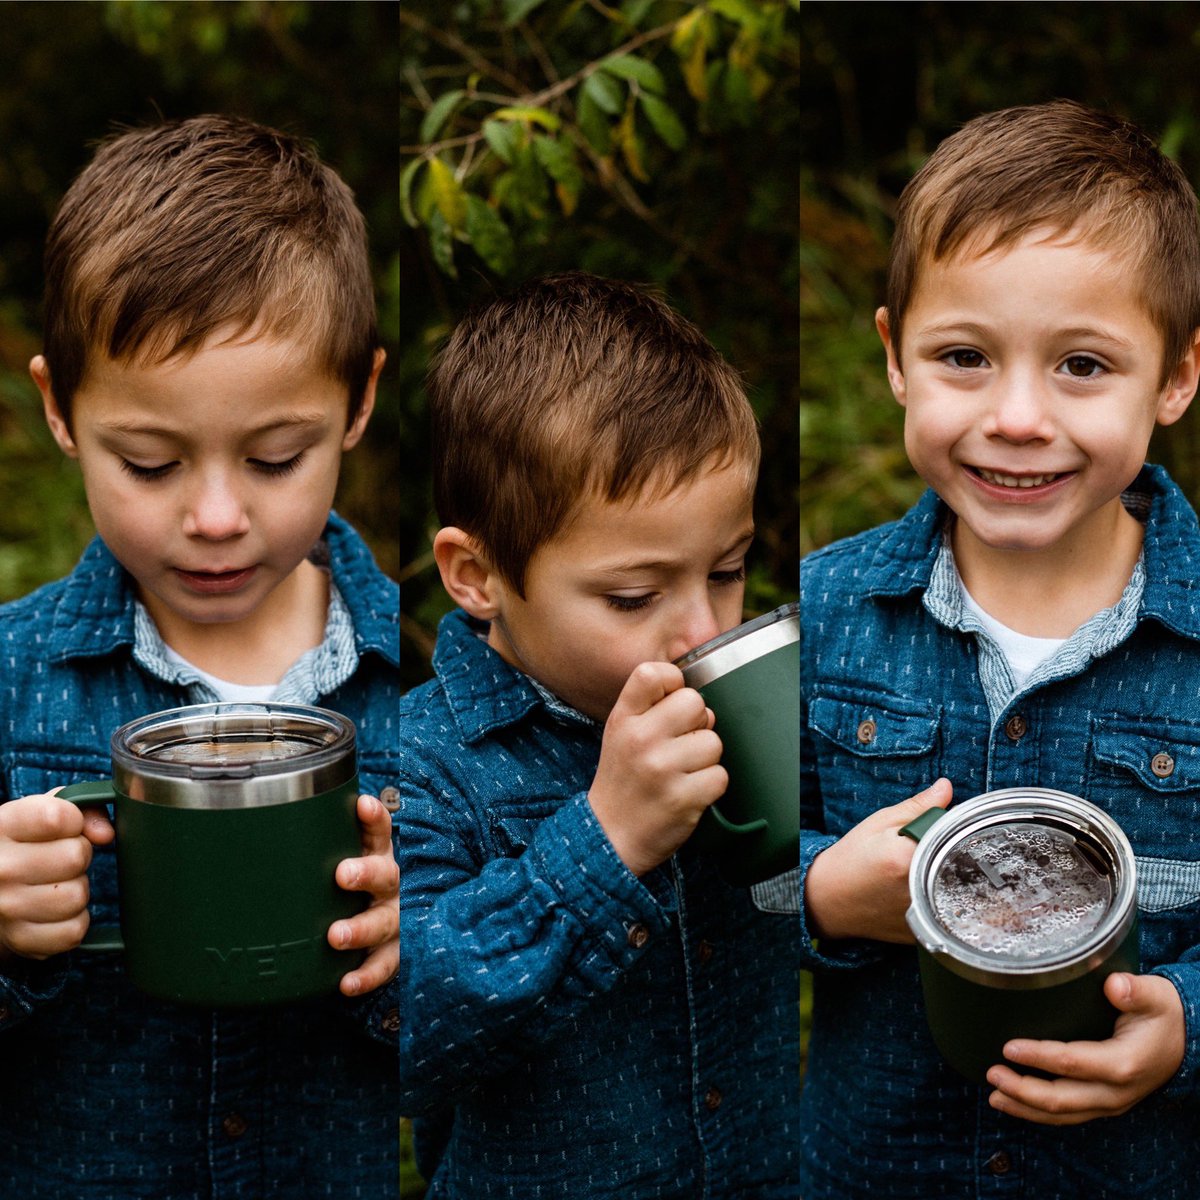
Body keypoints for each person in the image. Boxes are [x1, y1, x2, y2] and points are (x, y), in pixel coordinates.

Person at [800, 99, 1200, 1197]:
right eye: (966, 356)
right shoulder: (823, 612)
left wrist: (1186, 1028)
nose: (1018, 416)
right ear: (894, 356)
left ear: (1174, 376)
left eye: (1082, 366)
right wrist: (821, 891)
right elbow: (714, 875)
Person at [0, 115, 400, 1198]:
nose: (215, 517)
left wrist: (428, 936)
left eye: (275, 458)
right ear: (60, 411)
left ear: (360, 400)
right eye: (150, 461)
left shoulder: (430, 684)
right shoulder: (11, 679)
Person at [400, 272, 799, 1197]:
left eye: (730, 570)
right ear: (477, 574)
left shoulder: (755, 697)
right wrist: (604, 841)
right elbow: (407, 1033)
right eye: (634, 597)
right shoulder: (421, 763)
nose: (701, 630)